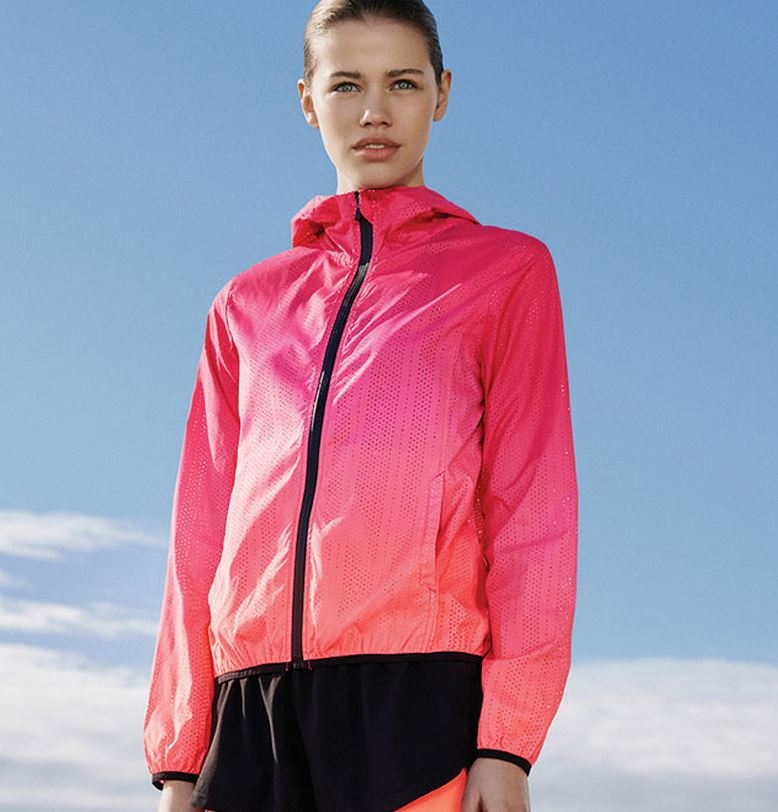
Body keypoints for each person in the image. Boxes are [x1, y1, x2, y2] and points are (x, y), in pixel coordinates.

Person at [144, 1, 577, 810]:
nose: (375, 111)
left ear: (441, 94)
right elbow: (197, 540)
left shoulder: (506, 272)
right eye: (346, 84)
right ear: (307, 99)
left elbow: (534, 515)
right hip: (248, 722)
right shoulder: (244, 305)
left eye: (402, 83)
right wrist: (180, 757)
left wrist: (507, 742)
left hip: (418, 713)